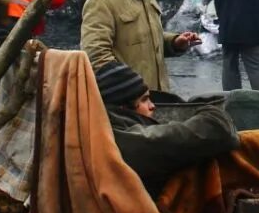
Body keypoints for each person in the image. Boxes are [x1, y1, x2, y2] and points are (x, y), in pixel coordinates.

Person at [93, 61, 239, 196]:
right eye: (144, 100)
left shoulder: (104, 128)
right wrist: (212, 112)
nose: (152, 106)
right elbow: (217, 129)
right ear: (124, 108)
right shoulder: (128, 140)